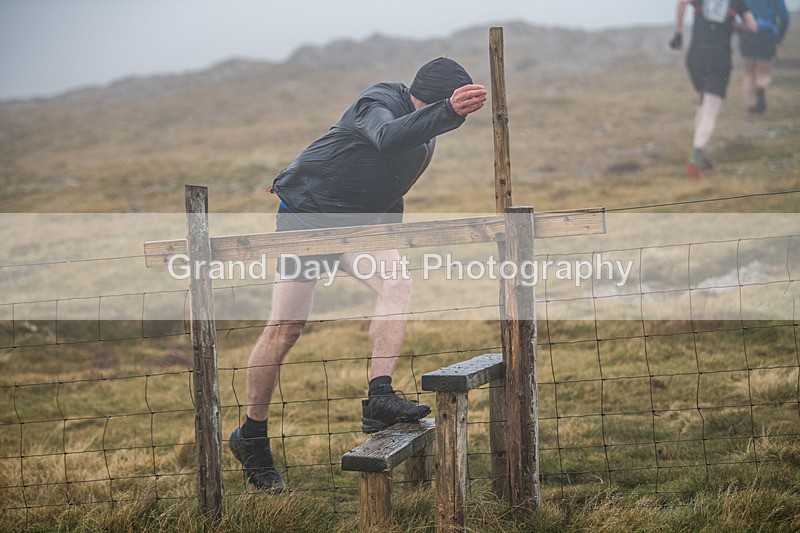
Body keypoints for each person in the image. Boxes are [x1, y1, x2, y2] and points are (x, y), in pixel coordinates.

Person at [228, 57, 487, 491]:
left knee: (397, 280)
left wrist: (390, 237)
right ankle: (251, 436)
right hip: (307, 215)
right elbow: (387, 139)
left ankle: (379, 396)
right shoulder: (379, 100)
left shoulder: (429, 134)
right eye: (444, 111)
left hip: (356, 227)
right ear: (431, 101)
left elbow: (390, 185)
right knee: (286, 327)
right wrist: (448, 112)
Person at [669, 0, 758, 178]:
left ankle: (700, 148)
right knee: (710, 109)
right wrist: (733, 26)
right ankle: (698, 152)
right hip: (720, 58)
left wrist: (678, 32)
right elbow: (752, 27)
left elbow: (682, 2)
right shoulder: (737, 2)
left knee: (703, 101)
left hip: (696, 57)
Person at [739, 0, 790, 115]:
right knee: (763, 72)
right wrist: (780, 35)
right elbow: (784, 17)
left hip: (747, 34)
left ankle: (751, 106)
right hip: (767, 34)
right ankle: (760, 90)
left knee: (748, 72)